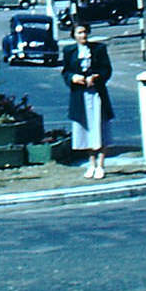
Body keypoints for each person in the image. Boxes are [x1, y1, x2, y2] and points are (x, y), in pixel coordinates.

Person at [62, 21, 114, 178]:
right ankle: (91, 164)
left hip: (96, 94)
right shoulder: (69, 51)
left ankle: (101, 164)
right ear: (74, 35)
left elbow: (107, 70)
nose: (82, 35)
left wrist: (96, 78)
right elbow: (66, 71)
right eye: (79, 33)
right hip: (80, 96)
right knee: (86, 129)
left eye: (84, 32)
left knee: (100, 127)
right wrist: (73, 78)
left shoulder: (99, 49)